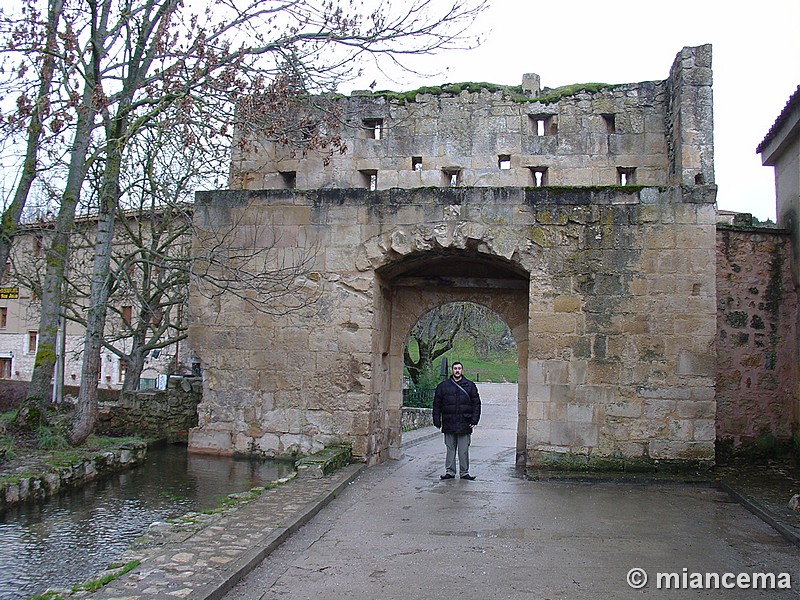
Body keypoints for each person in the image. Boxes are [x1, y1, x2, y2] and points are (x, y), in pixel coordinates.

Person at [432, 361, 481, 480]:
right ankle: (450, 471)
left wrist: (474, 420)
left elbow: (476, 404)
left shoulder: (470, 386)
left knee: (463, 450)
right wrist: (437, 420)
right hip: (449, 422)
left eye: (459, 368)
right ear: (452, 370)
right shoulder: (443, 386)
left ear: (462, 370)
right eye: (455, 368)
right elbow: (437, 404)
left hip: (465, 422)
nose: (457, 370)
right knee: (450, 449)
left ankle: (464, 472)